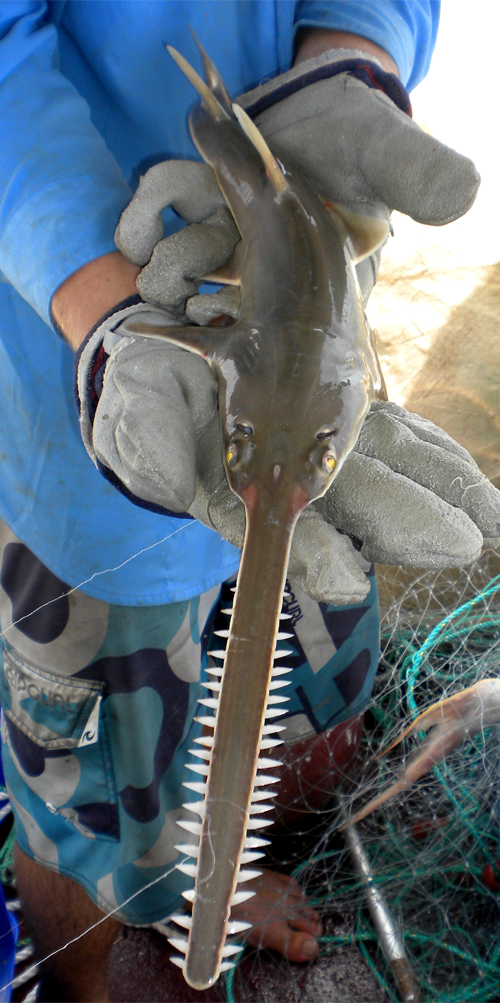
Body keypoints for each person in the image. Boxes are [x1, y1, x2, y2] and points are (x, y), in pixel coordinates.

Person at [0, 3, 498, 1001]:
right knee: (98, 818)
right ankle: (113, 951)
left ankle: (248, 869)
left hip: (321, 356)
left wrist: (347, 61)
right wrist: (105, 320)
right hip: (94, 433)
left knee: (321, 688)